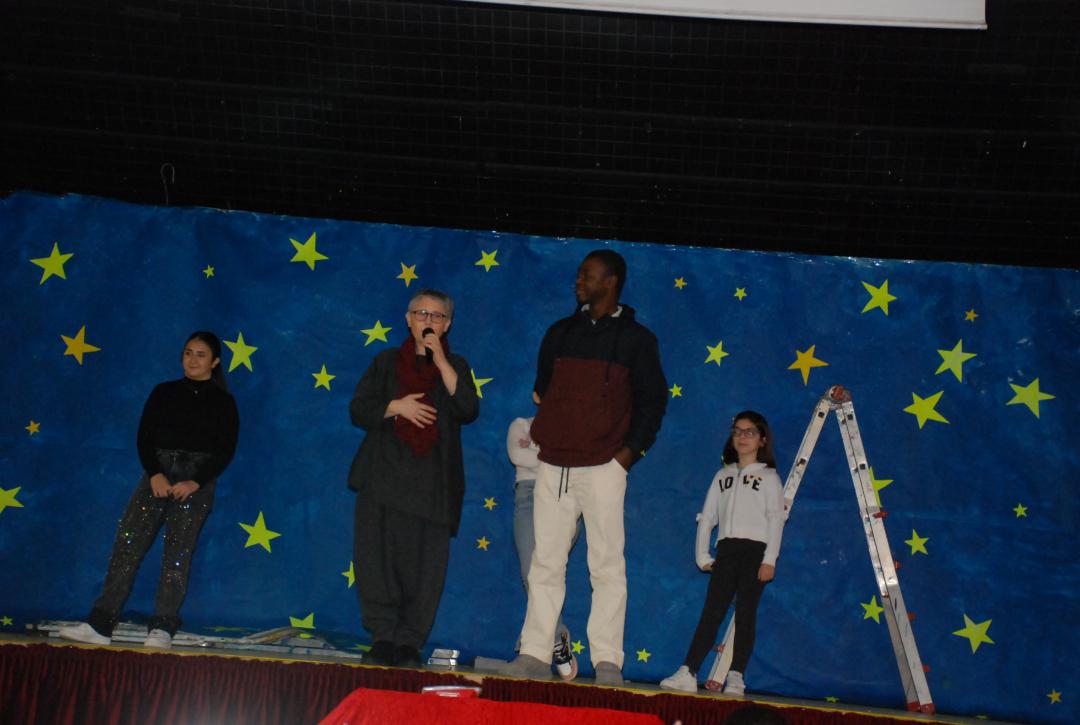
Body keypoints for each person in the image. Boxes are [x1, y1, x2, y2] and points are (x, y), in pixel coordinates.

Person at [502, 249, 668, 685]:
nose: (579, 281)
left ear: (611, 282)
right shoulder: (559, 333)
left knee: (606, 565)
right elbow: (543, 390)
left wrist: (624, 458)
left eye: (587, 275)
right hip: (553, 465)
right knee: (544, 563)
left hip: (604, 468)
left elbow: (653, 403)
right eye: (578, 275)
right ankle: (535, 652)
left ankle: (608, 661)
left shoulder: (637, 340)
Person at [58, 331, 240, 649]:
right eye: (187, 352)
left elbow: (225, 449)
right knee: (127, 546)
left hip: (194, 483)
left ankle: (162, 627)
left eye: (200, 354)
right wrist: (155, 474)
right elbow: (144, 437)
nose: (192, 359)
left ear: (214, 361)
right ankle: (101, 624)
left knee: (177, 556)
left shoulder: (224, 402)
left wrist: (195, 482)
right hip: (157, 478)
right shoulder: (163, 392)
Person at [347, 289, 479, 668]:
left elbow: (468, 408)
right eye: (421, 314)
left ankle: (409, 643)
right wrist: (395, 406)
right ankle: (383, 638)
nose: (428, 322)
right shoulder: (386, 362)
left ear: (447, 324)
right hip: (383, 478)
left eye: (437, 316)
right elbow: (359, 409)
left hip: (433, 485)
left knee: (424, 569)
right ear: (408, 320)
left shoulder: (455, 365)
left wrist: (441, 360)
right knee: (377, 562)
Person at [660, 411, 786, 696]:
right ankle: (688, 671)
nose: (742, 437)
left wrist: (769, 559)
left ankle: (736, 675)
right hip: (726, 550)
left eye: (750, 432)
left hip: (755, 552)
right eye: (737, 431)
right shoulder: (723, 476)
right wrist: (702, 557)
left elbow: (776, 519)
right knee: (712, 612)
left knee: (745, 613)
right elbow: (707, 518)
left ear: (762, 439)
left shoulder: (769, 478)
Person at [507, 414, 581, 680]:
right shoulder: (521, 424)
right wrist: (556, 457)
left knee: (548, 572)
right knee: (531, 572)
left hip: (564, 498)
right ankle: (557, 637)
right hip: (528, 495)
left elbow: (578, 463)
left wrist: (538, 455)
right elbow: (517, 455)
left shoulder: (572, 424)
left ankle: (534, 642)